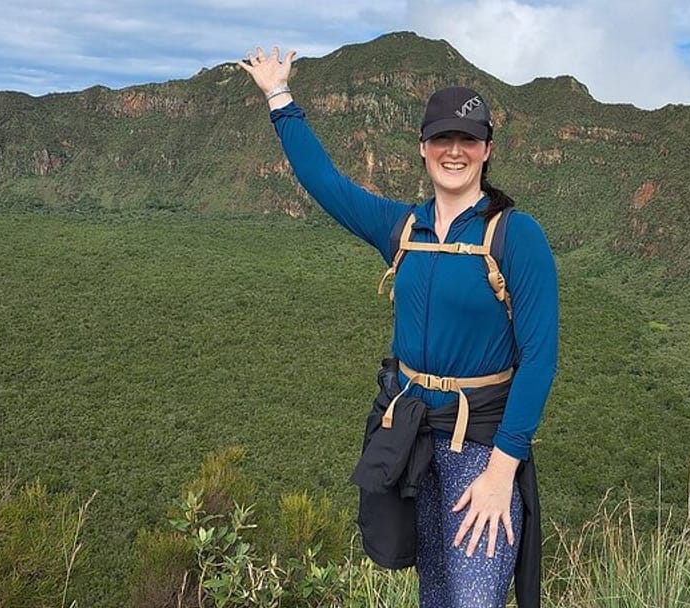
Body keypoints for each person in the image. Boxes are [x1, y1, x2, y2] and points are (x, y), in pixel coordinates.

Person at [239, 46, 558, 608]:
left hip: (481, 445)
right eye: (442, 140)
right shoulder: (402, 228)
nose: (453, 152)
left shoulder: (515, 235)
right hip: (414, 435)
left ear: (486, 150)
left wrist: (501, 471)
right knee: (434, 593)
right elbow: (328, 186)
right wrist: (278, 97)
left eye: (468, 141)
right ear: (423, 149)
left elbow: (540, 358)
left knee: (476, 597)